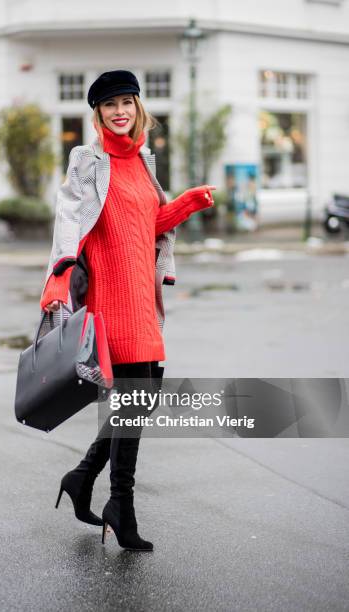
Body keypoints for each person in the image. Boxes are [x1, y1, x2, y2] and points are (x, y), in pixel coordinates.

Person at [40, 70, 216, 551]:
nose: (120, 111)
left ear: (139, 108)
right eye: (110, 105)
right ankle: (122, 505)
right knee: (133, 402)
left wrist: (186, 204)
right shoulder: (87, 161)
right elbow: (70, 219)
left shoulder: (141, 159)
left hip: (142, 297)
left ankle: (81, 477)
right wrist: (57, 278)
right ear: (97, 113)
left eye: (127, 102)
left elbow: (147, 221)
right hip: (110, 301)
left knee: (143, 397)